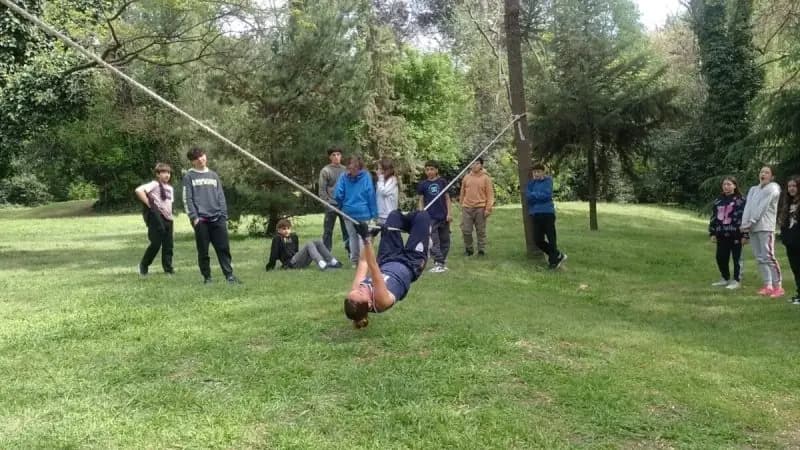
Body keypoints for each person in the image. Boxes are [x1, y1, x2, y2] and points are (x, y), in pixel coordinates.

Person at [344, 210, 431, 329]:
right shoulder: (382, 302)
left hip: (388, 258)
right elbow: (374, 269)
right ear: (369, 304)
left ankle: (415, 229)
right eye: (360, 293)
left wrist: (371, 236)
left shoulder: (356, 293)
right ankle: (420, 231)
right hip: (411, 263)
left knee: (394, 216)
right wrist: (366, 239)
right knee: (422, 216)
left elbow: (364, 262)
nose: (359, 289)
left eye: (352, 293)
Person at [182, 147, 240, 284]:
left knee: (223, 248)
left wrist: (223, 215)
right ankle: (207, 278)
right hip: (201, 220)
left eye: (202, 156)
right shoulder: (189, 176)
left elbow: (220, 196)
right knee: (203, 251)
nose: (200, 159)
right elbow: (187, 198)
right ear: (192, 162)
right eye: (196, 158)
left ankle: (229, 276)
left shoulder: (213, 175)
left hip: (217, 218)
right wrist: (194, 217)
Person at [741, 165, 782, 297]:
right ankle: (768, 285)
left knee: (768, 256)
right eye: (761, 172)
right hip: (753, 228)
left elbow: (762, 207)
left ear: (772, 176)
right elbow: (748, 206)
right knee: (759, 258)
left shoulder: (774, 188)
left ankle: (778, 287)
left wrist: (751, 221)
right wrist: (745, 224)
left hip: (765, 227)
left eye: (766, 172)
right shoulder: (753, 189)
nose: (763, 174)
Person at [333, 155, 378, 266]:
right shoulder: (365, 176)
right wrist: (374, 214)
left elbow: (338, 194)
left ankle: (355, 262)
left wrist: (342, 204)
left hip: (349, 211)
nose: (352, 171)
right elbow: (370, 194)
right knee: (361, 236)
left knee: (353, 237)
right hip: (362, 211)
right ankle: (363, 261)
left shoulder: (344, 176)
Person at [135, 163, 175, 276]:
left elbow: (169, 204)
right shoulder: (154, 184)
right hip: (157, 218)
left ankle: (168, 269)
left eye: (168, 173)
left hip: (168, 218)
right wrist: (149, 204)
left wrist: (171, 219)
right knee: (156, 244)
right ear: (158, 174)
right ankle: (144, 265)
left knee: (168, 245)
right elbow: (139, 190)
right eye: (164, 172)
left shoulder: (170, 188)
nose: (167, 175)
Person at [709, 176, 747, 289]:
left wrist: (745, 234)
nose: (726, 186)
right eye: (724, 184)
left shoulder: (741, 200)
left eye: (729, 184)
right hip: (721, 234)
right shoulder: (718, 201)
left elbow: (745, 218)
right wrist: (712, 233)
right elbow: (713, 218)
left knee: (737, 258)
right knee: (720, 257)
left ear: (735, 186)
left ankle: (736, 280)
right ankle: (725, 278)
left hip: (736, 234)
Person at [526, 162, 567, 269]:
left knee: (551, 238)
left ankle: (553, 262)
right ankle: (558, 255)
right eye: (534, 172)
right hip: (536, 214)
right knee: (538, 240)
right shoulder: (531, 184)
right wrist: (536, 196)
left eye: (538, 172)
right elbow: (528, 197)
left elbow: (547, 195)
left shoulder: (548, 181)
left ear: (543, 172)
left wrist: (534, 195)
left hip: (548, 213)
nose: (536, 174)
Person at [265, 218, 343, 271]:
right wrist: (270, 266)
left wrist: (302, 256)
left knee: (317, 242)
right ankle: (321, 263)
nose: (286, 231)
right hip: (290, 263)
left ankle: (333, 261)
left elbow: (296, 251)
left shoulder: (294, 236)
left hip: (299, 261)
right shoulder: (277, 238)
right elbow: (274, 254)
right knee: (309, 243)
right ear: (279, 230)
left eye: (288, 228)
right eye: (284, 229)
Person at [417, 160, 451, 272]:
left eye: (432, 169)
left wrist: (449, 213)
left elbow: (447, 198)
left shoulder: (442, 182)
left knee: (445, 240)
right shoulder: (423, 184)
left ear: (437, 170)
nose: (429, 171)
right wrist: (421, 213)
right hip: (430, 217)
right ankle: (438, 262)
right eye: (427, 169)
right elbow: (421, 200)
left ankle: (442, 262)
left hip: (443, 216)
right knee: (433, 240)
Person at [459, 157, 494, 256]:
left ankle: (481, 250)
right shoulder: (466, 177)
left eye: (477, 163)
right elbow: (462, 192)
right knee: (466, 230)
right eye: (473, 163)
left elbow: (490, 195)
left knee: (481, 231)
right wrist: (462, 205)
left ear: (481, 165)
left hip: (480, 208)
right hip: (467, 207)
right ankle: (469, 249)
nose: (474, 165)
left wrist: (488, 208)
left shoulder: (486, 178)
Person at [319, 146, 350, 254]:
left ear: (341, 156)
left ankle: (351, 253)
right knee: (328, 231)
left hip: (343, 205)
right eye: (334, 155)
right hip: (331, 205)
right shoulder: (325, 171)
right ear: (330, 157)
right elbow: (322, 190)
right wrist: (327, 204)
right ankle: (326, 254)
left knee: (347, 230)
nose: (336, 157)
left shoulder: (345, 170)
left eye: (338, 154)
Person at [778, 176, 800, 304]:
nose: (791, 188)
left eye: (794, 186)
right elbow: (784, 224)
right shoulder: (787, 204)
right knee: (796, 269)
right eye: (789, 186)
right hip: (790, 243)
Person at [376, 158, 399, 226]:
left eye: (380, 169)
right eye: (378, 169)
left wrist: (380, 178)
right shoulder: (381, 181)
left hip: (389, 216)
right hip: (381, 215)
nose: (378, 171)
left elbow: (384, 192)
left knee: (389, 235)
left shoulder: (392, 180)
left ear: (386, 169)